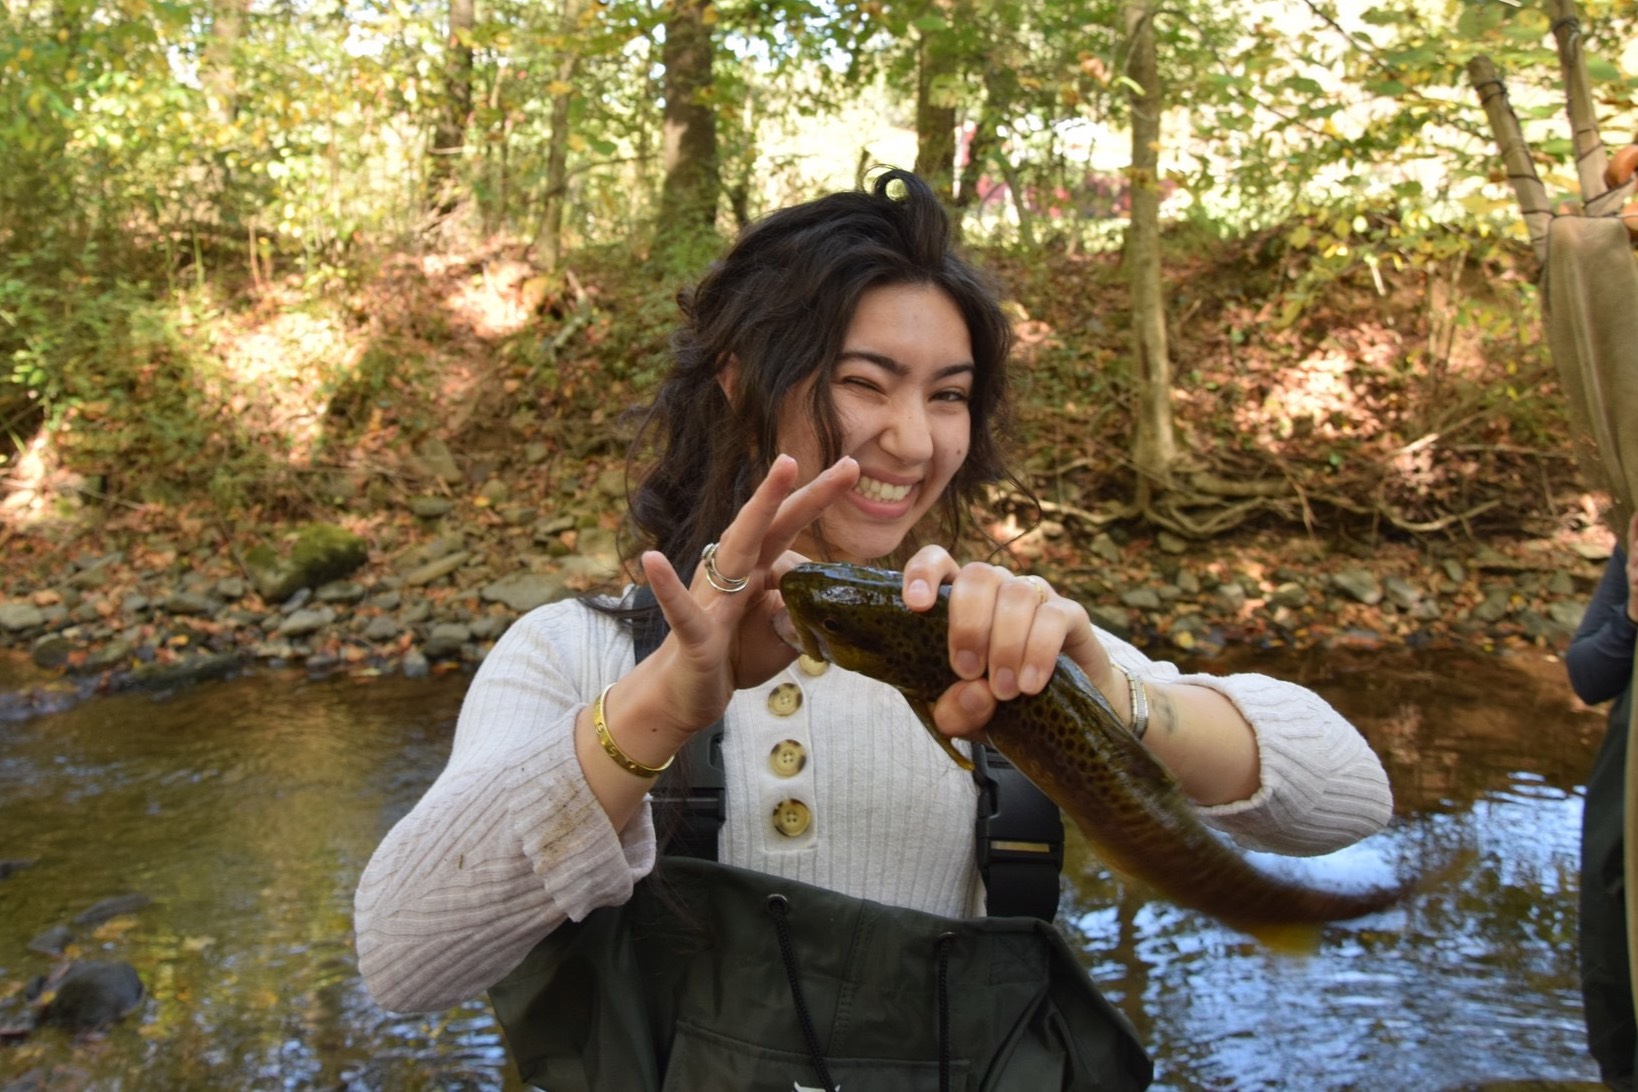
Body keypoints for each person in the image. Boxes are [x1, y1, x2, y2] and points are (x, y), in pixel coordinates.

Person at [353, 168, 1394, 1091]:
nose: (912, 439)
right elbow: (401, 956)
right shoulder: (577, 654)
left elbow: (1348, 795)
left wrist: (1110, 696)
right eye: (864, 383)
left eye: (949, 396)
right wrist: (664, 703)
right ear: (738, 378)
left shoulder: (986, 646)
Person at [1569, 511, 1638, 1091]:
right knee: (1615, 958)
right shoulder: (1636, 536)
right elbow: (1588, 675)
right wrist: (1634, 609)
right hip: (1626, 807)